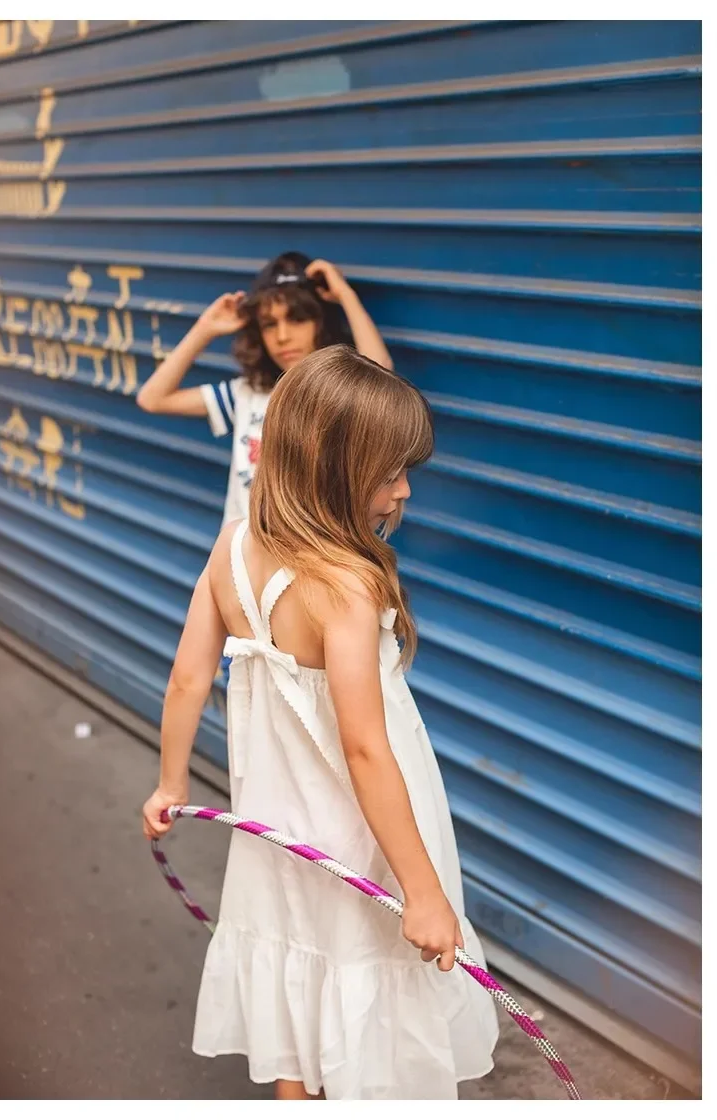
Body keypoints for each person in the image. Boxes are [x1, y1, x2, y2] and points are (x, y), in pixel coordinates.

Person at [142, 346, 499, 1100]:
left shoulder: (232, 544)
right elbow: (366, 748)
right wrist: (423, 891)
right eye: (389, 471)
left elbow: (186, 678)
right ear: (333, 468)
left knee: (295, 970)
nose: (403, 489)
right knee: (366, 987)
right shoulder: (347, 583)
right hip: (358, 837)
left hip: (275, 821)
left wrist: (170, 784)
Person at [136, 252, 392, 525]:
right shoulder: (248, 394)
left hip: (307, 563)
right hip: (241, 562)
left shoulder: (339, 394)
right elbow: (153, 398)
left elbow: (380, 374)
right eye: (270, 324)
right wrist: (204, 329)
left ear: (322, 322)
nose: (282, 337)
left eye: (297, 319)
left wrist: (345, 295)